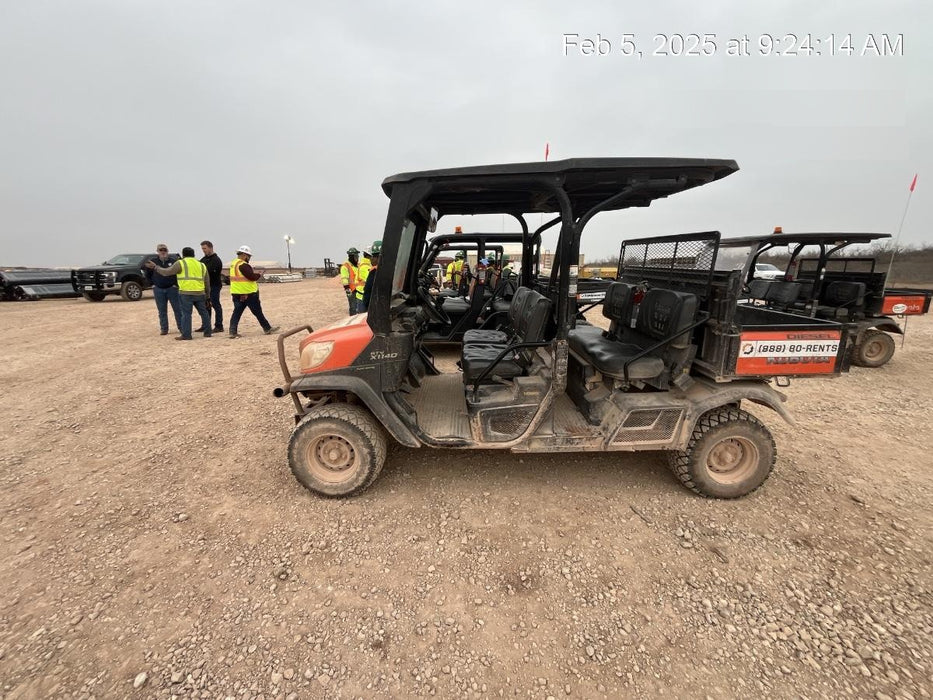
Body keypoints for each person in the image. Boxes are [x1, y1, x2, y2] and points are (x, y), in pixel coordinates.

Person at [146, 247, 212, 340]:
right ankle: (208, 332)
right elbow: (207, 282)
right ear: (193, 254)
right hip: (200, 293)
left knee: (186, 314)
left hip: (186, 293)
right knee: (204, 313)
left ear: (183, 255)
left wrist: (156, 267)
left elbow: (167, 272)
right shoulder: (201, 265)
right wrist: (207, 295)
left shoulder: (181, 263)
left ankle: (186, 335)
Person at [227, 245, 280, 338]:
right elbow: (251, 277)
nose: (249, 258)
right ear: (244, 255)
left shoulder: (233, 264)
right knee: (257, 312)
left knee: (237, 312)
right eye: (249, 256)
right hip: (249, 293)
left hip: (236, 293)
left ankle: (232, 331)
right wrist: (258, 275)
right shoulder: (243, 265)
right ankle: (267, 328)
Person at [145, 244, 183, 336]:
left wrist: (175, 285)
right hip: (158, 289)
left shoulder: (173, 261)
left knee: (177, 309)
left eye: (164, 250)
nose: (163, 252)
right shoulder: (153, 262)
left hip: (172, 289)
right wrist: (152, 284)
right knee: (162, 310)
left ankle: (181, 327)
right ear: (157, 251)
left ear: (167, 250)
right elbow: (147, 274)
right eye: (161, 250)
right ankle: (164, 328)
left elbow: (178, 274)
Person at [197, 240, 224, 333]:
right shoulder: (203, 260)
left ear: (210, 247)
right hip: (205, 287)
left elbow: (208, 271)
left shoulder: (216, 260)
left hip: (214, 286)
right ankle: (206, 325)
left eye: (204, 248)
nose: (203, 250)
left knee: (215, 305)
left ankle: (219, 325)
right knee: (206, 306)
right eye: (202, 249)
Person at [359, 240, 381, 313]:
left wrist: (366, 307)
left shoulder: (374, 271)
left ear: (378, 257)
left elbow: (368, 292)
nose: (371, 259)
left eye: (373, 256)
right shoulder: (388, 269)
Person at [340, 247, 363, 315]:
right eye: (356, 256)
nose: (357, 258)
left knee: (359, 308)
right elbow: (344, 279)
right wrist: (348, 290)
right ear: (352, 256)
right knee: (353, 308)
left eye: (358, 256)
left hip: (359, 290)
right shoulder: (346, 266)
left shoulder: (357, 265)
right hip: (352, 291)